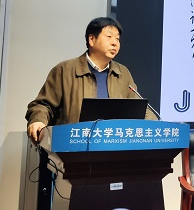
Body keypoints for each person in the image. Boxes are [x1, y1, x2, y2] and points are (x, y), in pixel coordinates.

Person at [26, 16, 155, 143]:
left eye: (117, 39)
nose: (115, 43)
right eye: (109, 37)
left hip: (113, 146)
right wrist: (38, 121)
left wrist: (156, 126)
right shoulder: (65, 70)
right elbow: (43, 105)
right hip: (72, 145)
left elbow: (138, 109)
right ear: (91, 39)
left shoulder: (123, 73)